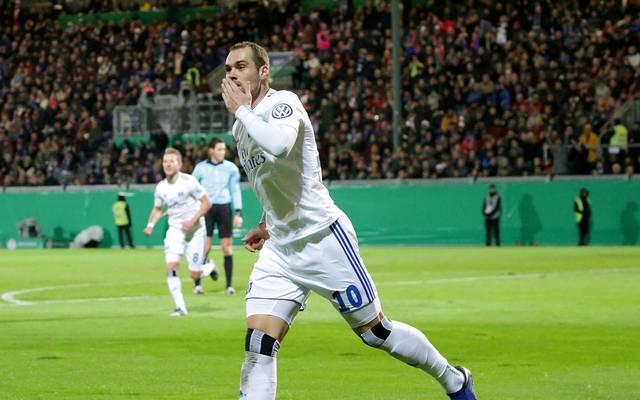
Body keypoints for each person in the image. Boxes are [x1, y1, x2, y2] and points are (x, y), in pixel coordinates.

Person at [220, 41, 477, 400]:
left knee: (377, 333)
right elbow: (272, 178)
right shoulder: (240, 127)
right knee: (259, 343)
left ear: (263, 72)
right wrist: (265, 222)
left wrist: (243, 112)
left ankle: (454, 380)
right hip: (280, 249)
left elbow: (279, 146)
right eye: (228, 68)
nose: (232, 73)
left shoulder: (283, 104)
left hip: (322, 238)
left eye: (241, 66)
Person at [143, 147, 212, 316]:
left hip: (195, 231)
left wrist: (192, 220)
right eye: (165, 161)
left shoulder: (189, 182)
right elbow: (158, 209)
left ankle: (208, 267)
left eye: (171, 161)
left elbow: (206, 203)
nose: (167, 164)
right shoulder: (161, 188)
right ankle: (180, 308)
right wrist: (150, 225)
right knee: (172, 266)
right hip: (175, 231)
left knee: (194, 273)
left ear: (179, 164)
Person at [192, 138, 244, 295]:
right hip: (206, 209)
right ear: (211, 150)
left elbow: (235, 190)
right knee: (204, 247)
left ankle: (229, 286)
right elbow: (192, 190)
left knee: (226, 247)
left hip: (224, 208)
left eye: (223, 149)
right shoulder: (200, 168)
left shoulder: (231, 168)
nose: (223, 152)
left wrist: (238, 213)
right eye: (219, 149)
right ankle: (197, 285)